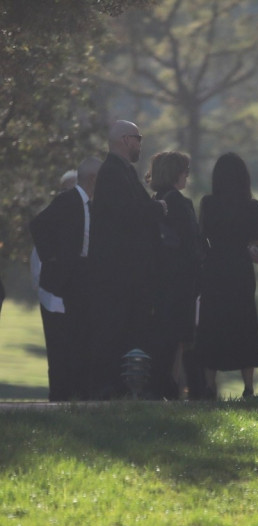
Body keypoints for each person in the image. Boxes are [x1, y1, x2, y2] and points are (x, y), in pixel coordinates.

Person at [88, 120, 167, 399]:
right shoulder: (112, 172)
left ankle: (123, 386)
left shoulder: (124, 171)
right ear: (125, 139)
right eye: (138, 138)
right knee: (113, 330)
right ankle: (108, 386)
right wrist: (157, 208)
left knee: (125, 329)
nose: (140, 143)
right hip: (116, 272)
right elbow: (130, 212)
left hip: (126, 272)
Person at [29, 157, 101, 400]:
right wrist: (53, 258)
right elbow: (38, 225)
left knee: (83, 338)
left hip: (83, 277)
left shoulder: (95, 205)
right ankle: (61, 396)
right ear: (93, 179)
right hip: (65, 280)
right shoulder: (68, 200)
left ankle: (81, 394)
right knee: (64, 343)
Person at [195, 153, 258, 399]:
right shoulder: (252, 206)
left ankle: (209, 385)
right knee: (244, 324)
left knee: (212, 325)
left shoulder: (209, 203)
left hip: (215, 268)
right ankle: (248, 386)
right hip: (240, 267)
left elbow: (201, 237)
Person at [147, 151, 201, 399]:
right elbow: (192, 244)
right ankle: (168, 387)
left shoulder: (152, 202)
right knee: (175, 341)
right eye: (185, 171)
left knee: (159, 339)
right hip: (180, 283)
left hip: (156, 281)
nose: (187, 176)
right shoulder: (180, 203)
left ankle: (160, 386)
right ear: (176, 174)